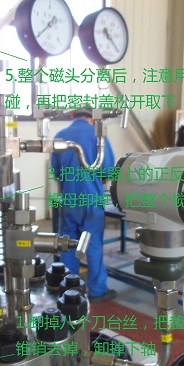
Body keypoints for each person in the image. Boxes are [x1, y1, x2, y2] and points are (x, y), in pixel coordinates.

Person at [51, 109, 117, 302]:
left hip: (69, 199)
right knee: (93, 244)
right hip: (91, 199)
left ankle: (70, 289)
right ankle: (97, 290)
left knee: (67, 243)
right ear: (92, 117)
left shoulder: (60, 135)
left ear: (72, 116)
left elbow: (56, 171)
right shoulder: (98, 136)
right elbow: (108, 170)